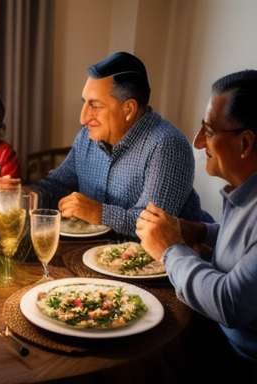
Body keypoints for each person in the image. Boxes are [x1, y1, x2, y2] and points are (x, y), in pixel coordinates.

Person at [136, 70, 257, 380]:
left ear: (245, 143)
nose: (197, 140)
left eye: (209, 130)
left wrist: (170, 249)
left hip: (239, 359)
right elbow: (246, 245)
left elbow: (229, 303)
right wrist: (201, 231)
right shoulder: (247, 191)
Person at [32, 52, 212, 237]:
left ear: (128, 110)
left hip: (173, 260)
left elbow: (153, 227)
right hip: (101, 257)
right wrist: (28, 196)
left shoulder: (168, 146)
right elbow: (58, 185)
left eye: (95, 105)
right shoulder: (86, 137)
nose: (83, 118)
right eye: (84, 103)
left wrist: (99, 213)